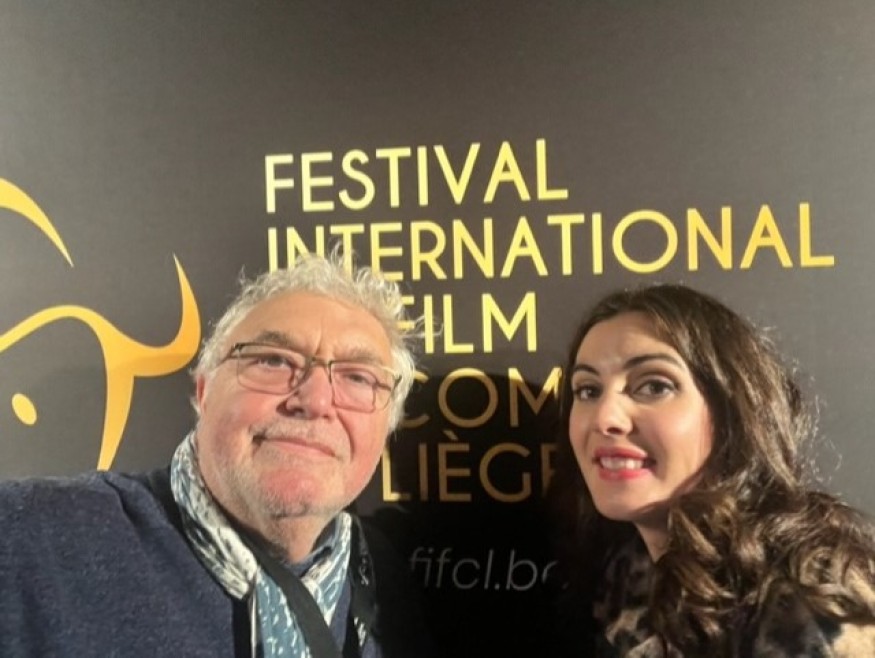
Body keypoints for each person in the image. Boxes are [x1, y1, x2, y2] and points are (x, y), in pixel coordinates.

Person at [0, 252, 436, 657]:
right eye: (273, 361)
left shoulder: (380, 575)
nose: (316, 400)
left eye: (358, 378)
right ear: (205, 390)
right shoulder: (30, 539)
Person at [549, 283, 875, 657]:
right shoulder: (624, 571)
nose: (605, 418)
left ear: (731, 412)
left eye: (654, 386)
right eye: (588, 390)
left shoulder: (810, 599)